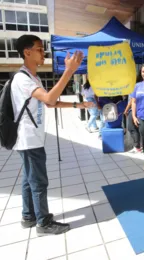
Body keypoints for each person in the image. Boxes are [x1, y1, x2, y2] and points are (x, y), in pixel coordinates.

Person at [12, 35, 92, 236]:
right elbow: (49, 97)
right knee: (38, 181)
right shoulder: (22, 79)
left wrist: (77, 104)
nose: (43, 53)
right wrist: (69, 70)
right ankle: (43, 222)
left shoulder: (33, 77)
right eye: (39, 49)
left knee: (29, 179)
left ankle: (28, 216)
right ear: (26, 52)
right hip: (28, 139)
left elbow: (50, 102)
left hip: (31, 138)